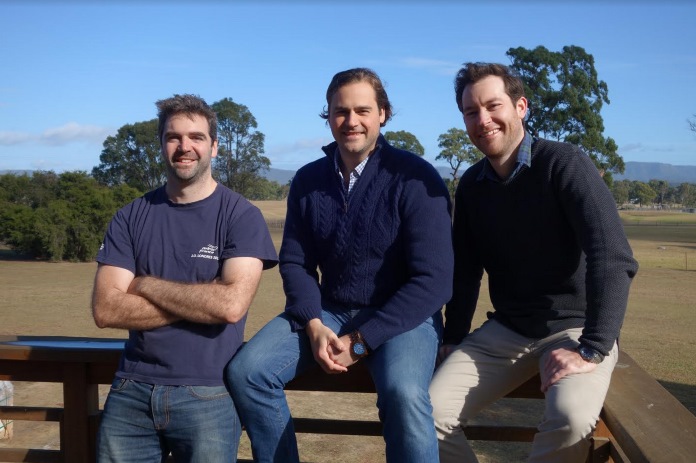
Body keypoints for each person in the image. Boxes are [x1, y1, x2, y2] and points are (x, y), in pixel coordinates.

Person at [227, 68, 454, 462]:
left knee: (403, 394)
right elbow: (295, 264)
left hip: (405, 318)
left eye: (362, 110)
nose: (351, 121)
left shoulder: (416, 177)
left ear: (382, 114)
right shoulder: (308, 180)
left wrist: (363, 341)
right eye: (340, 111)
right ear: (328, 116)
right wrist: (313, 324)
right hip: (330, 312)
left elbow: (434, 281)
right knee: (248, 373)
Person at [429, 62, 639, 463]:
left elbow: (612, 257)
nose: (483, 120)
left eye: (493, 106)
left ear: (520, 106)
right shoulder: (472, 186)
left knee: (571, 418)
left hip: (575, 330)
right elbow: (466, 270)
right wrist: (454, 336)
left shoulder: (564, 164)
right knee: (427, 415)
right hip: (507, 330)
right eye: (471, 112)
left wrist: (592, 348)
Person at [91, 94, 278, 463]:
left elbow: (230, 306)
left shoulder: (241, 216)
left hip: (208, 393)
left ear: (214, 146)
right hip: (131, 389)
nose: (184, 147)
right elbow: (106, 309)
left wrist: (143, 285)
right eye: (173, 137)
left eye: (196, 137)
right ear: (161, 144)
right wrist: (200, 302)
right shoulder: (131, 216)